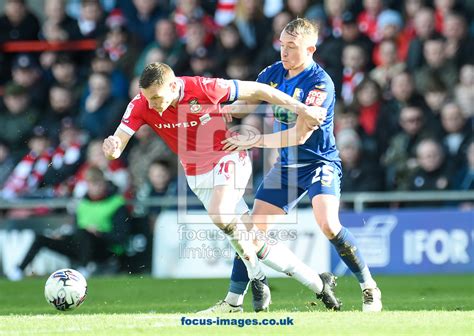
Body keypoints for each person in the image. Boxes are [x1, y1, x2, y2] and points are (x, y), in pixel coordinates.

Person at [102, 61, 338, 312]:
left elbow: (260, 90)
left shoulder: (203, 87)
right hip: (195, 175)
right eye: (148, 98)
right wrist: (113, 148)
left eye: (157, 97)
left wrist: (303, 109)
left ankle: (257, 278)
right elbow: (119, 140)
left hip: (228, 158)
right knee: (255, 242)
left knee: (220, 214)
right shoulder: (141, 103)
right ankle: (319, 285)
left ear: (173, 86)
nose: (153, 104)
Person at [213, 18, 382, 312]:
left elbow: (300, 133)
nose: (284, 52)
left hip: (319, 162)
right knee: (249, 234)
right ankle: (233, 302)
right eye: (282, 45)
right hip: (287, 166)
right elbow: (248, 102)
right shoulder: (273, 72)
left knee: (329, 225)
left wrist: (253, 140)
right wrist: (222, 108)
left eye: (291, 47)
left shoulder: (320, 83)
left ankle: (369, 287)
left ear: (310, 49)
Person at [6, 167, 130, 281]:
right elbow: (76, 228)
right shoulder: (82, 203)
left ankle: (83, 269)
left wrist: (99, 233)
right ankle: (18, 271)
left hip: (105, 248)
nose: (96, 187)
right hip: (80, 245)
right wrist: (63, 236)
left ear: (104, 183)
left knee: (84, 233)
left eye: (98, 183)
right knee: (41, 239)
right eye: (92, 184)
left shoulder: (117, 203)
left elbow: (121, 237)